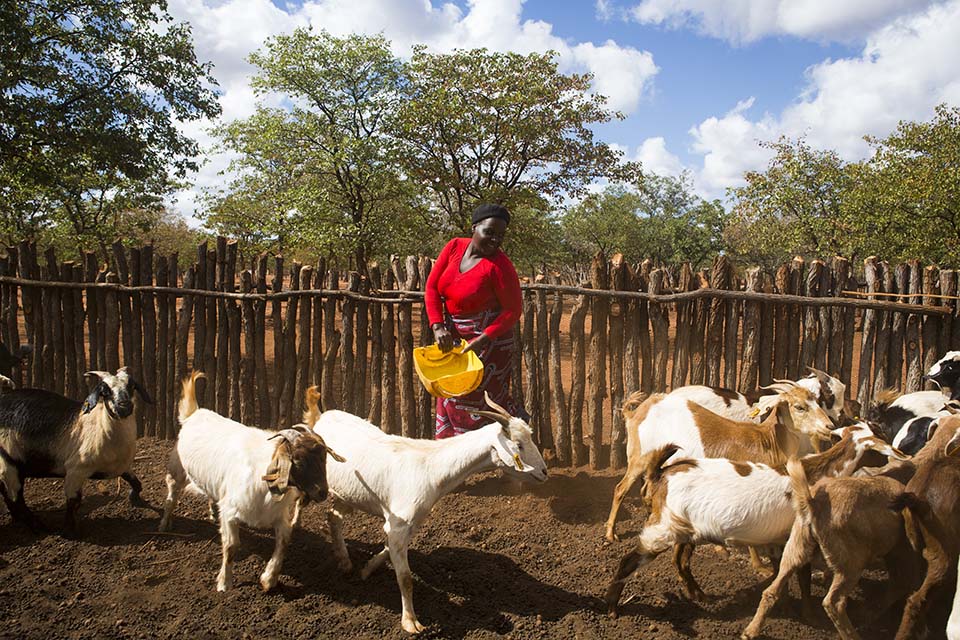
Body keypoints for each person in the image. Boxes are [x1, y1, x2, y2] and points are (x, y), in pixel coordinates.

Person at [424, 203, 527, 439]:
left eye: (500, 235)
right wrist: (438, 326)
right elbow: (431, 287)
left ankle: (489, 455)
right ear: (474, 227)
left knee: (481, 401)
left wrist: (483, 339)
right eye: (489, 232)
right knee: (450, 390)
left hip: (490, 343)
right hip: (453, 337)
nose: (495, 240)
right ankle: (452, 456)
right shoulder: (454, 247)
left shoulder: (500, 266)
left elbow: (513, 310)